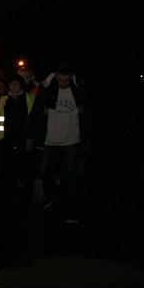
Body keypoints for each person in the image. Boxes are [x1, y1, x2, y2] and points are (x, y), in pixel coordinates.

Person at [26, 63, 89, 222]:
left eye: (66, 80)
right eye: (60, 80)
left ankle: (68, 208)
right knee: (45, 171)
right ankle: (51, 194)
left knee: (70, 176)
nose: (63, 83)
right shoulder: (46, 87)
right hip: (49, 139)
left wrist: (84, 137)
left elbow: (86, 113)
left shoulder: (78, 88)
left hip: (71, 139)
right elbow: (35, 112)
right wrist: (31, 136)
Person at [0, 74, 35, 207]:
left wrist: (30, 137)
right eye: (11, 84)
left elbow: (33, 120)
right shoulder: (4, 99)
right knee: (8, 165)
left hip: (23, 138)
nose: (13, 86)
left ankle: (25, 193)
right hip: (8, 139)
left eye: (16, 83)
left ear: (21, 84)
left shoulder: (29, 98)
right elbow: (0, 118)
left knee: (24, 164)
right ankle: (9, 194)